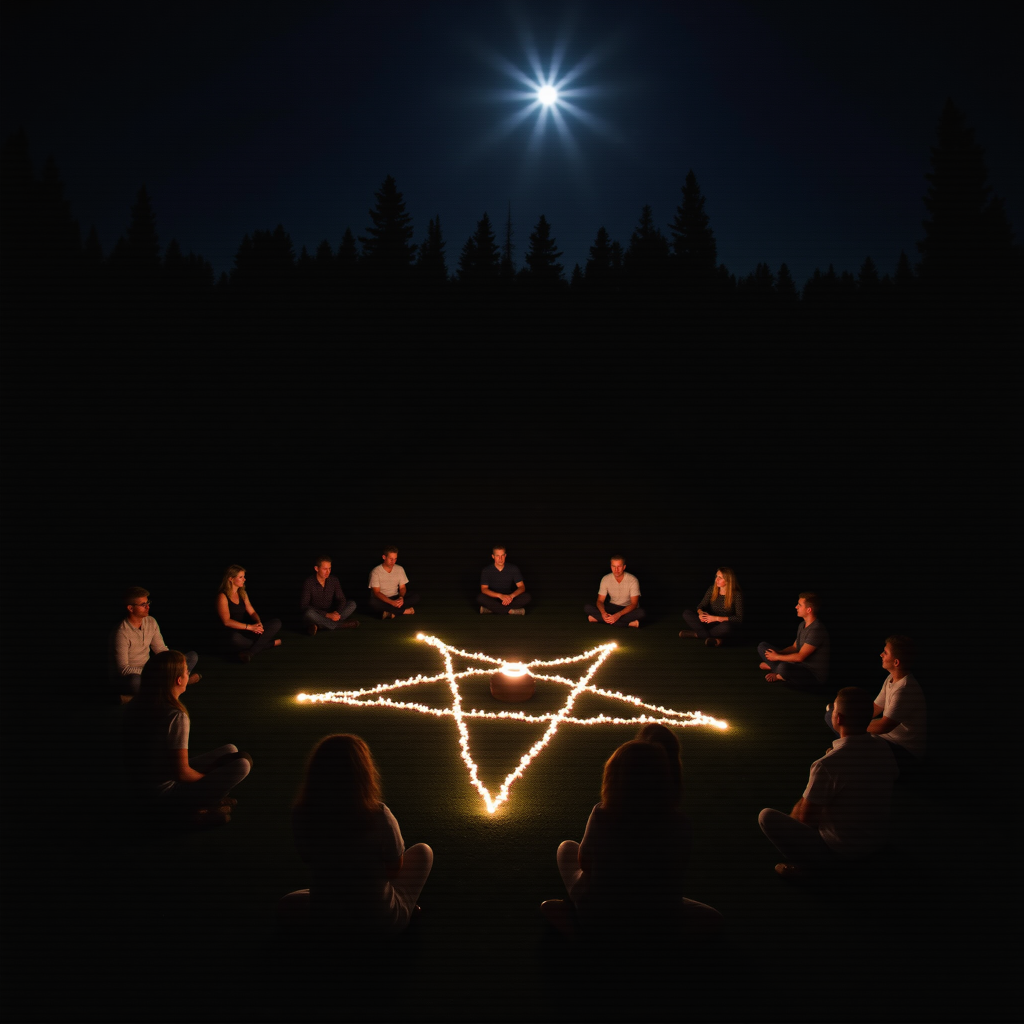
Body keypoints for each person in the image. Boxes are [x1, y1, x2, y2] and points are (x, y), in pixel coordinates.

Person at [542, 740, 720, 938]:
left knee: (566, 848)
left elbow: (584, 862)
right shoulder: (680, 823)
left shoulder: (602, 814)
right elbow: (677, 872)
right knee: (712, 917)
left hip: (600, 913)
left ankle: (584, 931)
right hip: (658, 917)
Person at [279, 734, 433, 937]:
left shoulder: (301, 814)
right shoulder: (378, 815)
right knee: (423, 851)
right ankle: (404, 911)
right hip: (381, 922)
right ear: (364, 773)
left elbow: (307, 859)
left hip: (328, 920)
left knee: (288, 902)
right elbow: (394, 870)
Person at [758, 686, 898, 878]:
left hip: (841, 852)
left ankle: (808, 868)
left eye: (834, 709)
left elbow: (805, 820)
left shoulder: (827, 765)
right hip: (877, 841)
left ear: (838, 719)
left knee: (766, 817)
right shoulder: (883, 747)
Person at [122, 650, 251, 826]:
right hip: (162, 793)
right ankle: (193, 809)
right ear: (178, 680)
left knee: (231, 750)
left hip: (141, 785)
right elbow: (181, 773)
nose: (188, 673)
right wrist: (208, 776)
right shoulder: (174, 715)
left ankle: (202, 801)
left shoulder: (137, 702)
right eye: (185, 670)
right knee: (242, 764)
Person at [824, 635, 926, 775]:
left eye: (885, 652)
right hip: (884, 740)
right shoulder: (891, 679)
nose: (881, 654)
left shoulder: (905, 689)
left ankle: (847, 752)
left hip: (902, 753)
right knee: (832, 716)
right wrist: (848, 715)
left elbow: (884, 726)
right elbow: (874, 708)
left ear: (896, 662)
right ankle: (849, 750)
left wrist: (852, 724)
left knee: (840, 723)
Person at [111, 586, 199, 696]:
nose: (148, 607)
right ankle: (178, 684)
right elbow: (124, 669)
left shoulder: (151, 621)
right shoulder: (121, 633)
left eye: (148, 602)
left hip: (151, 671)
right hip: (135, 675)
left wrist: (174, 661)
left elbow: (160, 649)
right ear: (130, 608)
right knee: (134, 682)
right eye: (143, 605)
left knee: (191, 657)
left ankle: (170, 685)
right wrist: (152, 672)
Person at [757, 592, 830, 684]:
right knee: (762, 646)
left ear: (809, 610)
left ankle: (779, 674)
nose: (796, 607)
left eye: (799, 605)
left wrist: (777, 657)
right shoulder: (802, 625)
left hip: (813, 676)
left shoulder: (817, 630)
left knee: (783, 668)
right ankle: (777, 670)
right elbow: (794, 648)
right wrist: (776, 654)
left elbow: (800, 657)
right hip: (797, 665)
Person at [216, 564, 282, 662]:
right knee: (235, 639)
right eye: (241, 577)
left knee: (277, 623)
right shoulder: (222, 596)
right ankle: (269, 644)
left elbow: (252, 612)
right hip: (231, 633)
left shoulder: (242, 593)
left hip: (244, 629)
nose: (244, 579)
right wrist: (250, 627)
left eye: (244, 577)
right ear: (231, 579)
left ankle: (250, 652)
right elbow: (227, 621)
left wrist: (258, 623)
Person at [679, 567, 744, 646]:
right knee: (687, 613)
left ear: (728, 580)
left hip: (723, 624)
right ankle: (713, 638)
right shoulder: (712, 589)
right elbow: (701, 606)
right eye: (716, 576)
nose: (716, 580)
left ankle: (697, 634)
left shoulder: (736, 595)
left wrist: (716, 618)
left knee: (727, 626)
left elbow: (739, 618)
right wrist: (701, 613)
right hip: (710, 622)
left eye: (720, 578)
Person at [301, 556, 358, 635]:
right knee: (309, 613)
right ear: (316, 569)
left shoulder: (334, 580)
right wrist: (327, 615)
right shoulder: (309, 583)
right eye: (325, 569)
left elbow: (342, 599)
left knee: (352, 604)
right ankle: (340, 625)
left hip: (330, 611)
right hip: (317, 614)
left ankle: (321, 626)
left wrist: (336, 613)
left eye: (329, 569)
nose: (328, 572)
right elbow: (304, 605)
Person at [584, 556, 645, 628]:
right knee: (587, 607)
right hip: (612, 606)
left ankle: (598, 619)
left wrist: (618, 615)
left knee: (641, 613)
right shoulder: (605, 579)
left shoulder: (633, 580)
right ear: (611, 567)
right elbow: (600, 600)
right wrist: (603, 613)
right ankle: (630, 624)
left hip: (627, 609)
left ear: (624, 567)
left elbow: (634, 604)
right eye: (614, 566)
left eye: (619, 566)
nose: (616, 570)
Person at [368, 546, 419, 620]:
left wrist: (401, 598)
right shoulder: (375, 572)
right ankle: (405, 611)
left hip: (396, 597)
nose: (393, 562)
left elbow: (402, 587)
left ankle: (390, 613)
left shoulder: (400, 569)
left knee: (415, 596)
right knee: (372, 602)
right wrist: (392, 602)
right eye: (391, 559)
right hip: (382, 599)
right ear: (384, 557)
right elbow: (377, 593)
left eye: (395, 559)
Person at [477, 545, 531, 615]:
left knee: (527, 597)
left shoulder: (513, 568)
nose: (500, 558)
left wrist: (511, 596)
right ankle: (511, 611)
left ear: (505, 555)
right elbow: (484, 589)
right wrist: (500, 595)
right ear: (493, 556)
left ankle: (492, 610)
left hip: (509, 598)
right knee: (480, 597)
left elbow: (522, 587)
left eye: (502, 555)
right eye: (497, 556)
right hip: (494, 598)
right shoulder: (486, 570)